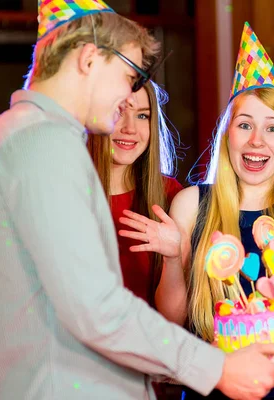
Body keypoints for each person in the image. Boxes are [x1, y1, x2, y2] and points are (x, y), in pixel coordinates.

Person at [0, 2, 274, 399]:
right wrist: (216, 366)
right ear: (90, 59)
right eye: (129, 75)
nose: (129, 94)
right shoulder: (45, 143)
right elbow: (95, 307)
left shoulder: (8, 136)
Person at [121, 22, 274, 399]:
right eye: (245, 124)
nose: (256, 141)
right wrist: (174, 260)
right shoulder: (191, 203)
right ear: (227, 134)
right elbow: (173, 319)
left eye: (272, 128)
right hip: (216, 387)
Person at [87, 80, 183, 308]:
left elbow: (176, 319)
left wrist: (174, 258)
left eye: (142, 116)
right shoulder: (67, 192)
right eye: (119, 112)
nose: (130, 128)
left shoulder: (171, 195)